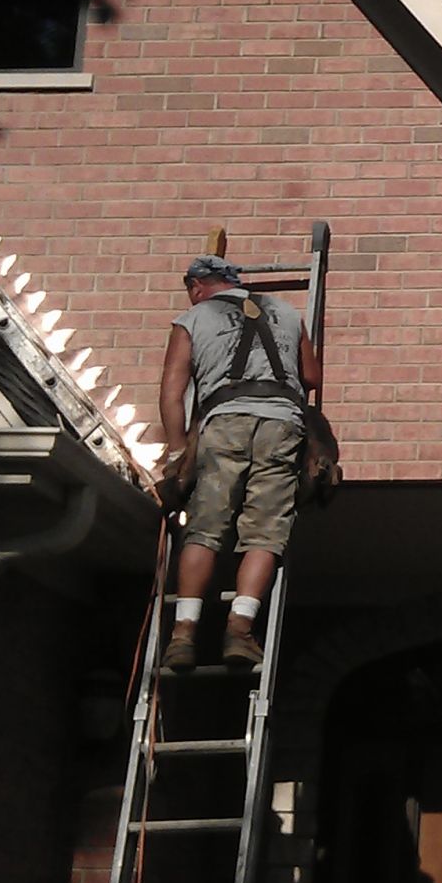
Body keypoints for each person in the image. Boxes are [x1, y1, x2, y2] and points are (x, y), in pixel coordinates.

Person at [156, 254, 323, 670]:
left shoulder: (191, 320)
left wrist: (178, 453)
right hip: (282, 424)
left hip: (223, 422)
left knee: (204, 529)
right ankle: (240, 629)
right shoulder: (286, 312)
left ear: (197, 287)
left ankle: (183, 635)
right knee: (265, 532)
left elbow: (172, 392)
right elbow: (313, 377)